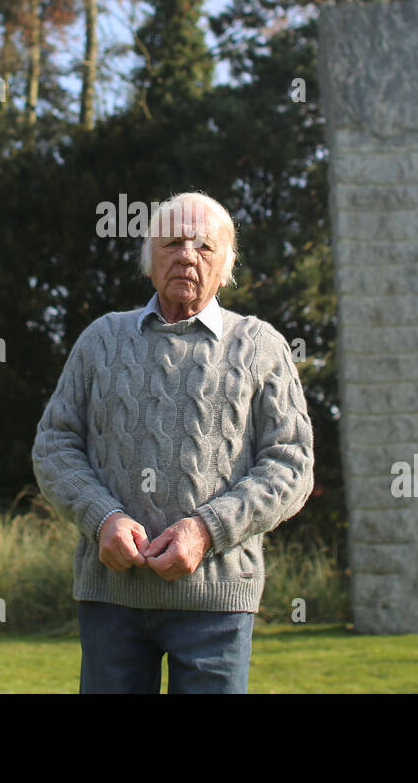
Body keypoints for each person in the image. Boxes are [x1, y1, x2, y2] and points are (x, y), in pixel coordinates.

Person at [32, 191, 315, 693]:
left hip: (217, 604)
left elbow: (291, 465)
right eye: (172, 242)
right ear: (149, 259)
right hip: (112, 597)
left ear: (227, 266)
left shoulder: (261, 346)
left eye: (205, 245)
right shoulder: (101, 340)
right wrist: (104, 518)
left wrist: (206, 531)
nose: (187, 254)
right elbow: (55, 446)